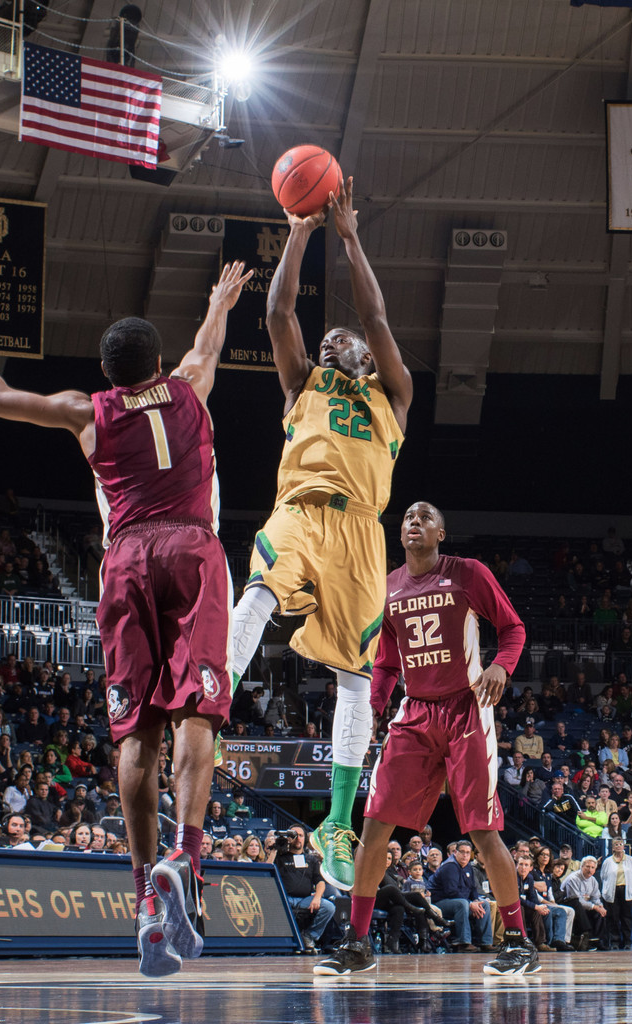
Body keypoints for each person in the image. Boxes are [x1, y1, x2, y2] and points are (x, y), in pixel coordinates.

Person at [0, 259, 252, 979]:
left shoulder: (88, 409)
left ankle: (146, 900)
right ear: (159, 363)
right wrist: (219, 300)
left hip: (125, 562)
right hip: (192, 550)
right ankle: (186, 854)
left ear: (108, 371)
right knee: (198, 714)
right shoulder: (190, 384)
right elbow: (208, 344)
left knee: (134, 731)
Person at [228, 179, 413, 892]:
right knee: (257, 597)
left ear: (368, 358)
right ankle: (208, 710)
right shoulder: (303, 383)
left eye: (349, 341)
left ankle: (338, 819)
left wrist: (350, 236)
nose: (338, 339)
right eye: (330, 337)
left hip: (363, 535)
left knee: (356, 677)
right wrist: (299, 232)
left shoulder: (392, 397)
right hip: (301, 510)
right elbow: (278, 312)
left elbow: (376, 312)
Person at [315, 501, 538, 978]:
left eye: (424, 517)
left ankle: (518, 941)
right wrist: (374, 706)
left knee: (481, 829)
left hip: (465, 707)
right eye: (407, 518)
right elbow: (387, 659)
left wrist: (502, 664)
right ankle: (357, 943)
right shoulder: (389, 586)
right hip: (415, 712)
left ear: (441, 532)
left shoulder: (468, 573)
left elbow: (514, 627)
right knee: (374, 824)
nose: (413, 522)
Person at [264, 825, 336, 954]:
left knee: (329, 907)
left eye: (301, 835)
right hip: (284, 899)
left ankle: (309, 936)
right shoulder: (280, 857)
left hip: (305, 900)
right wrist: (273, 851)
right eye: (294, 835)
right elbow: (266, 871)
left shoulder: (312, 860)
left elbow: (320, 881)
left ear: (305, 839)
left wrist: (317, 897)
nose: (297, 838)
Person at [562, 856, 608, 950]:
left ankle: (597, 940)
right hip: (569, 903)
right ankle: (586, 936)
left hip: (584, 905)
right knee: (578, 904)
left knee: (600, 912)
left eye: (592, 867)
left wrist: (600, 906)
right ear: (582, 866)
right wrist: (594, 906)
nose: (590, 870)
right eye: (587, 866)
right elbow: (576, 900)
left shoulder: (593, 880)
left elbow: (596, 897)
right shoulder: (573, 878)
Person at [600, 838, 632, 949]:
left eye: (620, 844)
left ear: (624, 846)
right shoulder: (608, 861)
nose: (618, 846)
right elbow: (603, 876)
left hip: (626, 891)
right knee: (613, 918)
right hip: (612, 891)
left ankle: (627, 942)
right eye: (616, 844)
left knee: (626, 918)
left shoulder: (630, 860)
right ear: (612, 847)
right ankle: (614, 942)